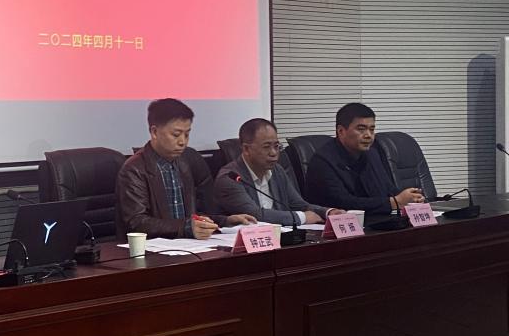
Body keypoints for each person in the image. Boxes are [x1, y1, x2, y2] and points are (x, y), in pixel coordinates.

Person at [116, 98, 256, 240]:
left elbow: (196, 215)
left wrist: (225, 221)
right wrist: (185, 228)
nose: (182, 141)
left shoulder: (189, 160)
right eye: (176, 135)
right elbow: (137, 222)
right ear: (154, 132)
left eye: (187, 134)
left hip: (188, 245)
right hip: (152, 248)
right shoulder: (134, 169)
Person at [214, 118, 342, 225]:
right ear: (246, 149)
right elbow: (254, 215)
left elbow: (299, 204)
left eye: (276, 146)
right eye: (266, 147)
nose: (274, 153)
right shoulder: (230, 178)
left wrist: (328, 212)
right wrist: (302, 217)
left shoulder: (277, 170)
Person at [305, 102, 423, 214]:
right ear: (341, 131)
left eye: (372, 129)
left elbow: (388, 189)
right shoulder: (322, 162)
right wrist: (394, 202)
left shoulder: (372, 153)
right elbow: (343, 203)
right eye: (361, 129)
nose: (368, 135)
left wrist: (411, 198)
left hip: (377, 220)